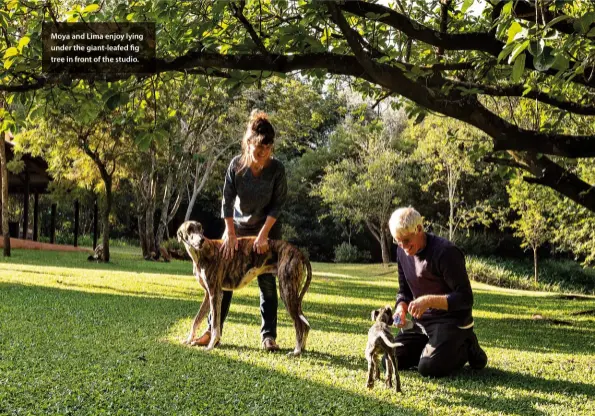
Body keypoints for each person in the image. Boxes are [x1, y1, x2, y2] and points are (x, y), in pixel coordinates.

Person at [193, 110, 287, 352]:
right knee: (222, 280)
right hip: (237, 228)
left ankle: (269, 337)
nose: (263, 154)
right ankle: (213, 330)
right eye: (258, 149)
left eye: (268, 149)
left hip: (266, 229)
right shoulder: (236, 166)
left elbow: (277, 205)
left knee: (267, 282)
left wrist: (264, 234)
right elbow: (226, 200)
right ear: (248, 144)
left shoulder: (277, 170)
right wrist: (230, 233)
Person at [388, 206, 487, 377]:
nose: (403, 246)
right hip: (422, 325)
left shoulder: (446, 252)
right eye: (398, 241)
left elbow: (465, 298)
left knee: (428, 368)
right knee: (391, 359)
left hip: (451, 322)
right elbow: (404, 290)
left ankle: (467, 345)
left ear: (418, 229)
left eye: (406, 240)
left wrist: (428, 301)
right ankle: (434, 347)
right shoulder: (401, 252)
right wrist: (401, 308)